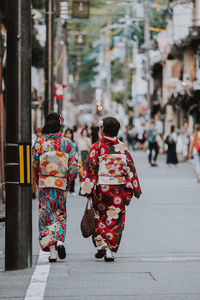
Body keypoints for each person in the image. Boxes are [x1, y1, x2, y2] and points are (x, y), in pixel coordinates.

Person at [80, 117, 142, 262]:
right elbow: (130, 169)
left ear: (102, 129)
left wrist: (87, 189)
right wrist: (135, 188)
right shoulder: (122, 148)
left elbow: (90, 169)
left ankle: (102, 242)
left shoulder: (97, 147)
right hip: (118, 190)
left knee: (99, 216)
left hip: (101, 188)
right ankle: (109, 250)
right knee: (115, 219)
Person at [32, 113, 80, 262]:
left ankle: (52, 252)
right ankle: (60, 241)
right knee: (59, 212)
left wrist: (37, 178)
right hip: (60, 184)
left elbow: (34, 163)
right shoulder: (67, 143)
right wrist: (68, 182)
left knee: (46, 216)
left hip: (45, 184)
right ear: (59, 125)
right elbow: (74, 166)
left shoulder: (40, 142)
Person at [64, 128, 78, 195]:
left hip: (72, 161)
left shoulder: (74, 143)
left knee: (72, 174)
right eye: (67, 133)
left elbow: (77, 151)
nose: (68, 135)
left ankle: (72, 190)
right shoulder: (63, 142)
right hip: (65, 160)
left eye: (69, 133)